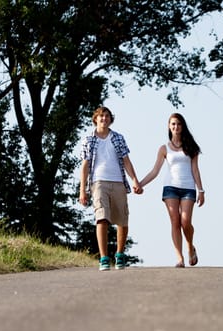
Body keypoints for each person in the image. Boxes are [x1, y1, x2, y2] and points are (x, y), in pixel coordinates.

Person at [79, 106, 143, 271]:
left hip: (118, 182)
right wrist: (82, 190)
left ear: (110, 119)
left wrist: (135, 180)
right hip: (98, 182)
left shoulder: (118, 138)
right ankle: (104, 258)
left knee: (122, 219)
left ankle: (120, 255)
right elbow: (85, 166)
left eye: (107, 116)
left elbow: (126, 161)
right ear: (95, 119)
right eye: (101, 116)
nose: (104, 118)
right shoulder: (88, 140)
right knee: (102, 218)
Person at [140, 113, 205, 268]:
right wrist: (140, 184)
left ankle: (190, 246)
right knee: (175, 222)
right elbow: (155, 171)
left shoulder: (191, 147)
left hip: (188, 188)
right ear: (169, 126)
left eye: (179, 124)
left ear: (183, 127)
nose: (176, 127)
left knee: (185, 222)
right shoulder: (164, 148)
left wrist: (201, 190)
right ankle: (179, 258)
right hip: (170, 188)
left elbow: (195, 170)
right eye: (173, 124)